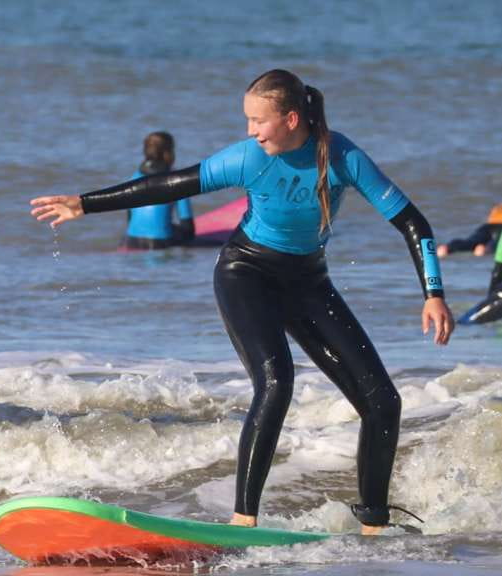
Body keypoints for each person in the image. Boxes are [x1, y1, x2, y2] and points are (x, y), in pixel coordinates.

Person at [30, 69, 453, 535]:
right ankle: (243, 521)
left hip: (309, 282)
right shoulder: (249, 159)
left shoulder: (342, 156)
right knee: (276, 382)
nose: (250, 131)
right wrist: (85, 204)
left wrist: (433, 295)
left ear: (292, 118)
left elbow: (413, 222)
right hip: (245, 273)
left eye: (258, 121)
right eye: (248, 120)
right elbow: (173, 185)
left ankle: (374, 525)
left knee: (382, 401)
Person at [121, 131, 194, 250]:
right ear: (168, 153)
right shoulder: (178, 180)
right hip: (160, 243)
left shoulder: (134, 177)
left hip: (130, 241)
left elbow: (130, 220)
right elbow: (189, 230)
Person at [436, 203, 502, 257]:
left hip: (487, 226)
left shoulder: (498, 208)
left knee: (471, 241)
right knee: (497, 242)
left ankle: (447, 248)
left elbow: (492, 215)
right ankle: (485, 250)